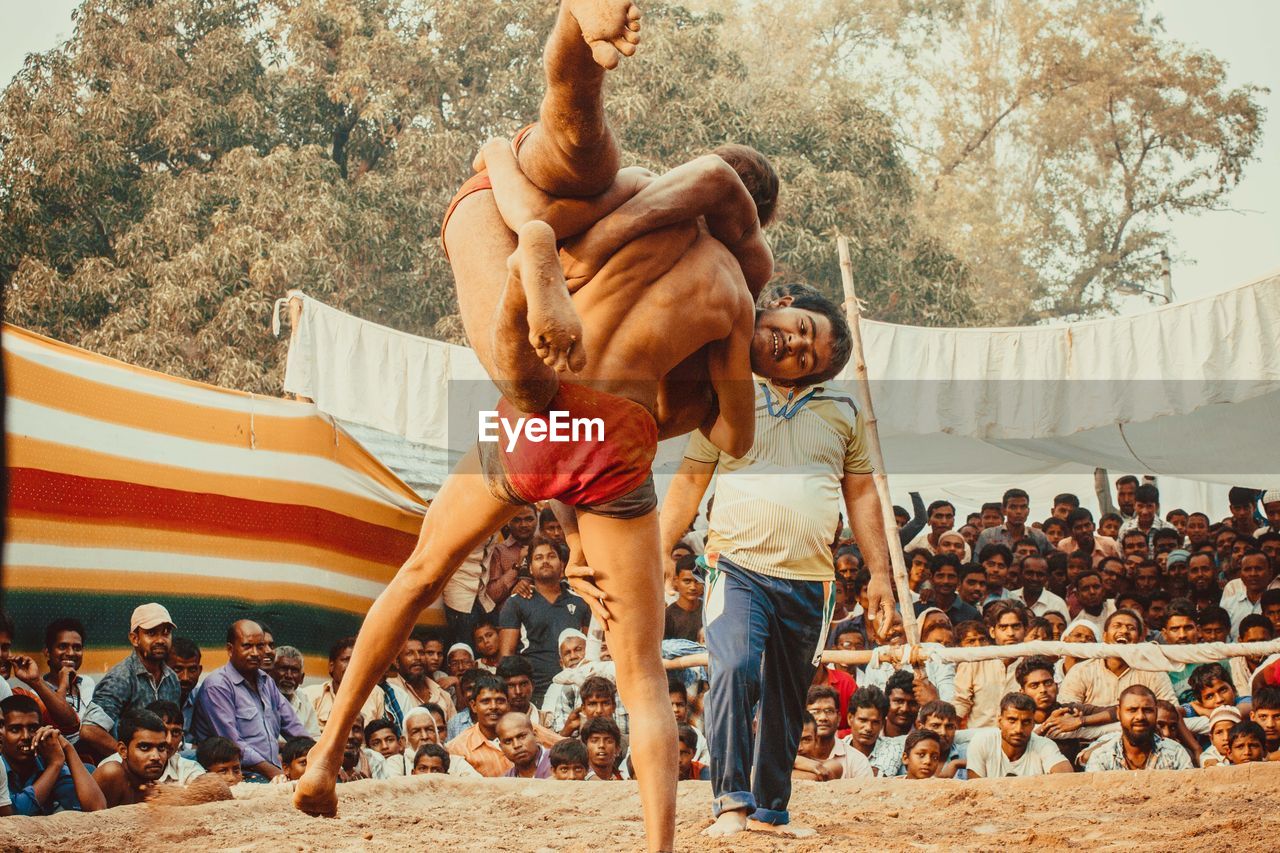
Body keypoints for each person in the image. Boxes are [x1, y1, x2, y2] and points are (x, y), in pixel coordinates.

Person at [657, 295, 886, 839]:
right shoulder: (727, 396)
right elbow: (690, 479)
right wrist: (661, 550)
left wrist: (879, 573)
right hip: (737, 568)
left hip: (811, 581)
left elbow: (862, 496)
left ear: (816, 375)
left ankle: (770, 812)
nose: (798, 346)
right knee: (733, 668)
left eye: (810, 355)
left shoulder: (844, 413)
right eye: (801, 330)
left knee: (787, 695)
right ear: (782, 308)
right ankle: (731, 802)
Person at [191, 619, 308, 780]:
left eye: (260, 646)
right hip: (240, 778)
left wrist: (325, 760)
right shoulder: (217, 686)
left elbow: (295, 728)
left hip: (271, 775)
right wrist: (275, 774)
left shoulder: (267, 682)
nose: (255, 653)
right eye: (247, 646)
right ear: (230, 649)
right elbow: (234, 744)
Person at [498, 535, 591, 704]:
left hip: (576, 688)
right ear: (531, 568)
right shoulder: (516, 603)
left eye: (551, 556)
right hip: (535, 692)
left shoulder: (581, 601)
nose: (545, 561)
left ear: (562, 565)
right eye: (538, 558)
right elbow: (507, 658)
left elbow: (590, 650)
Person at [82, 603, 180, 758]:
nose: (161, 640)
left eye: (166, 633)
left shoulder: (172, 679)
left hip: (161, 760)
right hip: (128, 768)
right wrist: (131, 758)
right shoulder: (121, 678)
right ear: (135, 639)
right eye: (152, 633)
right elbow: (90, 730)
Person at [1056, 610, 1177, 733]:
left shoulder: (1154, 671)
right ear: (1104, 636)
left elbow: (1170, 710)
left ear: (1140, 639)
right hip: (1088, 742)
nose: (1124, 631)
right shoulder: (1082, 670)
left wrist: (1085, 719)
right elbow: (1066, 708)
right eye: (1117, 626)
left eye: (1131, 628)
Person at [1, 694, 105, 814]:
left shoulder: (47, 759)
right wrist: (54, 765)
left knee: (89, 769)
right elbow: (13, 815)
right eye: (15, 729)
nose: (26, 736)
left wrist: (68, 749)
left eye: (32, 728)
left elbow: (97, 809)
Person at [1084, 685, 1193, 771]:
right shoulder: (1102, 758)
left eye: (1147, 710)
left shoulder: (1175, 753)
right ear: (1118, 713)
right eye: (1132, 710)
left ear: (1155, 713)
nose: (1140, 716)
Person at [953, 601, 1027, 727]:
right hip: (977, 738)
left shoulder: (1032, 665)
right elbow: (960, 704)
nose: (1010, 633)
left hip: (1017, 738)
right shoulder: (974, 662)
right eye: (1003, 627)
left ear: (1025, 629)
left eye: (1016, 626)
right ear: (992, 632)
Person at [966, 693, 1071, 778]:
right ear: (1000, 721)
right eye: (1012, 720)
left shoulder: (1044, 745)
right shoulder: (982, 741)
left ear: (1033, 724)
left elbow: (1065, 777)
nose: (1019, 729)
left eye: (1026, 722)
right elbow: (976, 789)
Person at [301, 636, 386, 733]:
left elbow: (380, 735)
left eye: (357, 661)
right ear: (331, 666)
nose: (352, 665)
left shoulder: (376, 694)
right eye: (346, 660)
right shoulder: (310, 695)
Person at [92, 710, 169, 807]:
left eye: (161, 747)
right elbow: (93, 820)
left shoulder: (157, 789)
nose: (156, 757)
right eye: (144, 747)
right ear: (123, 750)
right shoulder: (112, 773)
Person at [445, 673, 514, 777]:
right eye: (486, 701)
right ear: (473, 706)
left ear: (508, 704)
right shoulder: (457, 748)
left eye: (500, 701)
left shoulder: (529, 732)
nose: (493, 707)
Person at [796, 686, 872, 781]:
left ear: (839, 718)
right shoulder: (792, 753)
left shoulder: (857, 761)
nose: (823, 717)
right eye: (815, 712)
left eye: (829, 711)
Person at [385, 634, 458, 724]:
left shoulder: (442, 694)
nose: (418, 657)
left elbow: (455, 731)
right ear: (396, 662)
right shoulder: (390, 691)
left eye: (421, 652)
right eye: (410, 653)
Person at [976, 489, 1050, 555]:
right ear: (1004, 511)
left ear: (1028, 511)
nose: (1019, 511)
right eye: (1013, 507)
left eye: (1023, 507)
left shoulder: (1039, 536)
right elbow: (977, 564)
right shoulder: (988, 535)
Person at [270, 645, 321, 738]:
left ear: (301, 678)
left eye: (294, 671)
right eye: (283, 669)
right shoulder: (261, 696)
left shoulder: (304, 701)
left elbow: (314, 739)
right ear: (271, 672)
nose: (289, 675)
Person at [915, 554, 980, 626]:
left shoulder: (971, 614)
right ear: (931, 579)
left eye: (951, 576)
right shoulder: (918, 609)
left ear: (958, 580)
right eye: (940, 576)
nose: (946, 581)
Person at [915, 701, 965, 779]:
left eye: (949, 727)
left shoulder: (968, 754)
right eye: (935, 726)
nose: (943, 732)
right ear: (921, 727)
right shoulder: (909, 755)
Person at [498, 712, 553, 778]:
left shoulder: (560, 763)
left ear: (535, 736)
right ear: (501, 748)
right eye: (508, 741)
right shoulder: (505, 782)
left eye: (522, 736)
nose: (516, 745)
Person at [664, 554, 705, 641]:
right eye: (687, 581)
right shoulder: (667, 616)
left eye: (697, 581)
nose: (693, 587)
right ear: (676, 581)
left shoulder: (709, 612)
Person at [167, 636, 203, 734]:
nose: (185, 678)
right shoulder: (154, 695)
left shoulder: (202, 695)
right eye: (178, 670)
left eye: (192, 670)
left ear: (200, 670)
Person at [582, 716, 625, 780]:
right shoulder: (577, 778)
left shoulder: (624, 778)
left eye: (608, 741)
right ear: (585, 747)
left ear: (617, 749)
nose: (601, 745)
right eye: (594, 741)